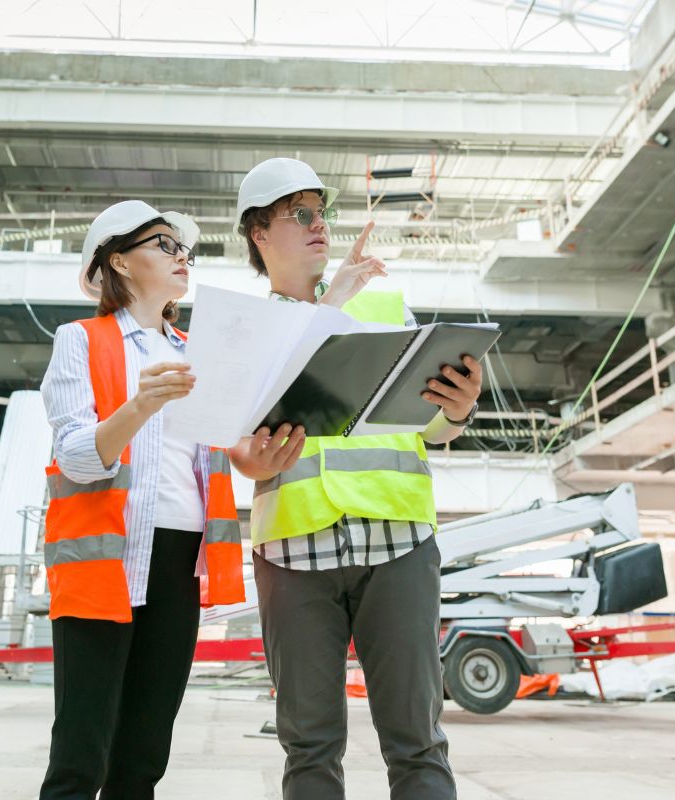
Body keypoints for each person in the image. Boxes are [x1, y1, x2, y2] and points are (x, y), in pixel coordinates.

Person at [229, 159, 484, 800]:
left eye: (323, 212)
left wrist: (457, 411)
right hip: (293, 555)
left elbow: (431, 427)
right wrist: (254, 462)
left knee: (418, 742)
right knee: (309, 747)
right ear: (259, 232)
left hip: (398, 544)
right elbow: (237, 446)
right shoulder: (243, 330)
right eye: (300, 214)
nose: (319, 224)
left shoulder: (384, 306)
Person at [38, 200, 245, 800]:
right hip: (103, 560)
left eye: (185, 250)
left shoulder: (198, 353)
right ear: (120, 262)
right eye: (164, 244)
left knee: (145, 755)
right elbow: (75, 457)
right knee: (81, 754)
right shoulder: (80, 340)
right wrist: (139, 406)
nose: (182, 257)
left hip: (180, 559)